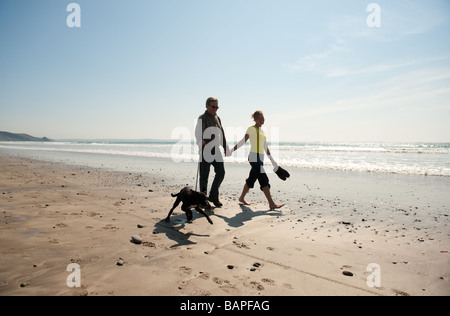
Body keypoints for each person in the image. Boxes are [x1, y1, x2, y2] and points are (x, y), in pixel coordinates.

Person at [228, 110, 284, 210]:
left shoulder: (263, 131)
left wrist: (272, 161)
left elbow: (265, 147)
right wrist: (232, 150)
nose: (263, 120)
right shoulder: (251, 129)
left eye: (263, 118)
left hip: (260, 158)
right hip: (253, 157)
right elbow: (243, 141)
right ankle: (271, 203)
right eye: (261, 118)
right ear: (256, 119)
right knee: (263, 178)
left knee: (251, 179)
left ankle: (241, 198)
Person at [195, 97, 230, 207]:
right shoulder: (202, 118)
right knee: (204, 177)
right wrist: (201, 141)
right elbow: (197, 133)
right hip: (206, 150)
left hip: (216, 150)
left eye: (217, 107)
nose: (216, 109)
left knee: (221, 172)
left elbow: (222, 133)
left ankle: (213, 195)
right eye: (213, 106)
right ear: (207, 106)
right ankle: (202, 200)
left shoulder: (217, 118)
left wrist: (225, 147)